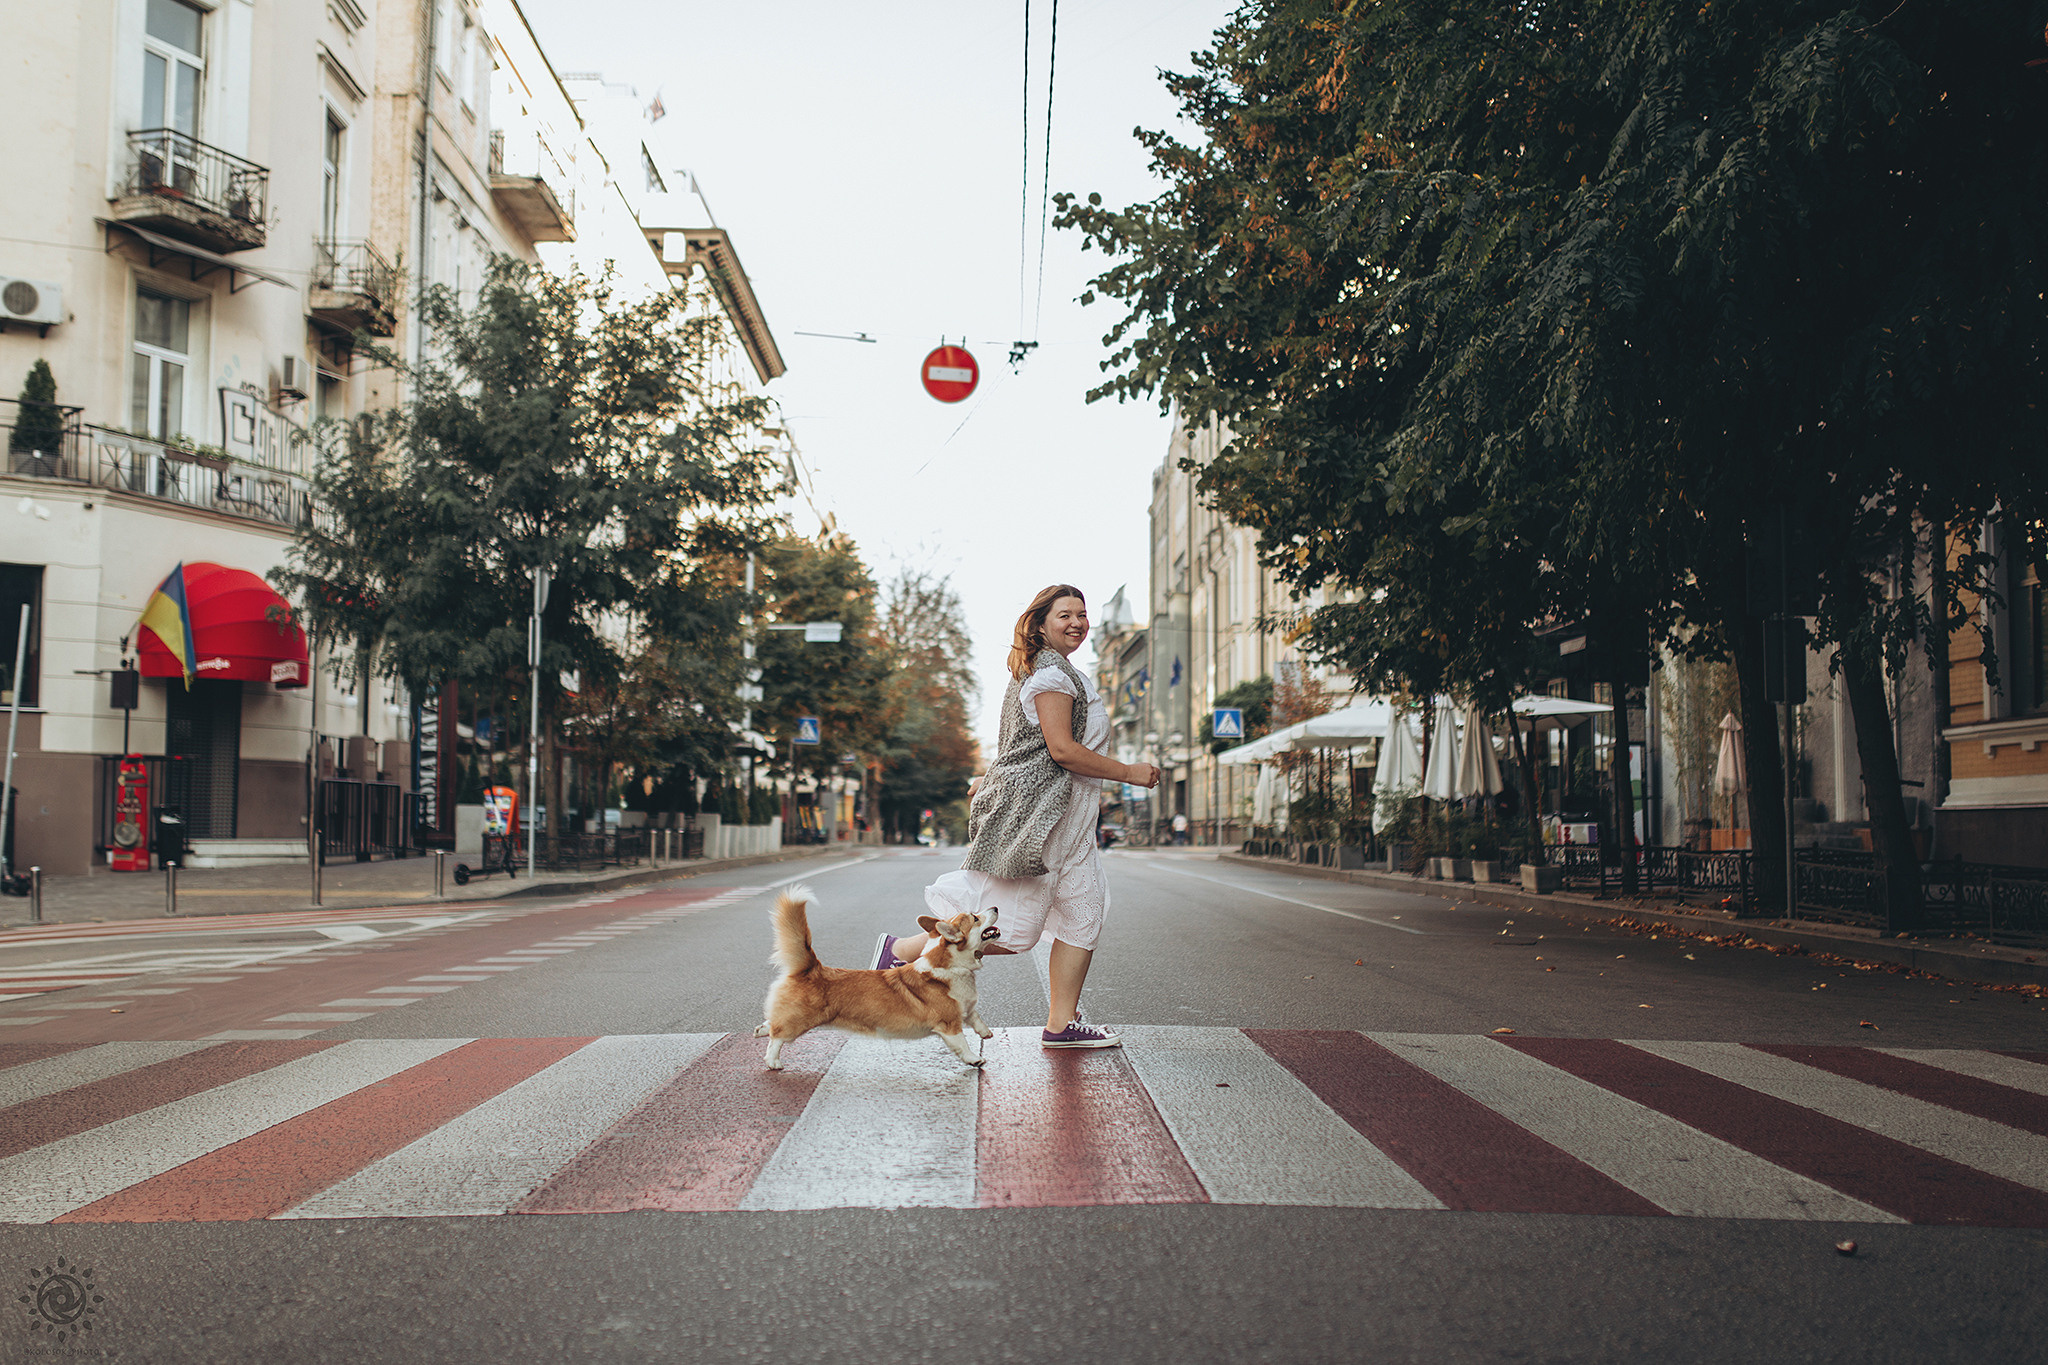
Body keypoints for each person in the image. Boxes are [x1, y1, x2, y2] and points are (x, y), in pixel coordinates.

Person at [873, 584, 1160, 1049]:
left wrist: (991, 777)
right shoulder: (1049, 674)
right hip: (1041, 823)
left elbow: (1021, 747)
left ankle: (1061, 1024)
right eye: (1064, 614)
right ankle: (899, 952)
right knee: (1010, 930)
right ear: (1041, 623)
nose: (1076, 622)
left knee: (1084, 915)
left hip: (1070, 823)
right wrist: (1130, 772)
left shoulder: (1064, 672)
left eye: (1082, 614)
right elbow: (1061, 750)